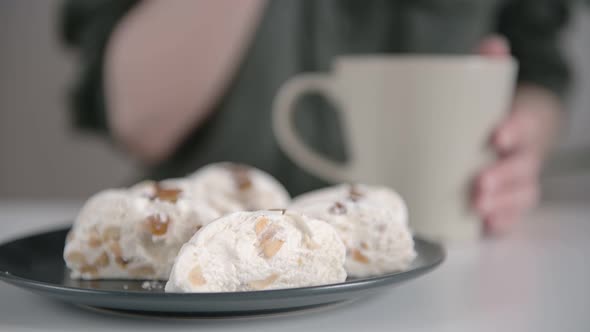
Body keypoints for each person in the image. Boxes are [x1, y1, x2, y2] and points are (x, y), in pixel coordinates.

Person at [61, 0, 571, 234]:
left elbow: (538, 62)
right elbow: (138, 117)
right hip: (196, 287)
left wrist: (518, 144)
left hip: (449, 271)